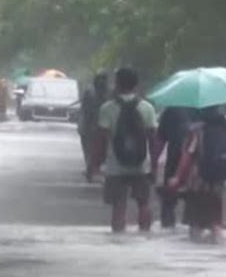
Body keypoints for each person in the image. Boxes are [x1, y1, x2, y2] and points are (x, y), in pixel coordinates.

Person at [88, 67, 157, 233]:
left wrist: (94, 165)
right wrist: (154, 166)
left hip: (115, 166)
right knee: (144, 203)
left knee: (119, 206)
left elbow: (101, 140)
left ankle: (118, 239)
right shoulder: (147, 108)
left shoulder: (108, 108)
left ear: (117, 84)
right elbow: (153, 140)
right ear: (136, 85)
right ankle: (146, 237)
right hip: (141, 165)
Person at [168, 106, 226, 242]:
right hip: (218, 181)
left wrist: (177, 177)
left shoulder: (196, 131)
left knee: (195, 224)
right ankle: (218, 246)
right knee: (215, 221)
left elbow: (187, 156)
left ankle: (196, 254)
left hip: (198, 182)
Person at [154, 107, 198, 228]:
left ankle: (168, 230)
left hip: (174, 160)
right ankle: (192, 235)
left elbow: (159, 140)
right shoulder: (206, 108)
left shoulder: (171, 110)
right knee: (194, 203)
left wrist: (153, 163)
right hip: (199, 165)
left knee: (168, 201)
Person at [79, 71, 108, 178]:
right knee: (92, 147)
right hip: (94, 124)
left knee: (90, 147)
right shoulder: (107, 92)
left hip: (94, 125)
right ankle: (92, 167)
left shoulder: (91, 91)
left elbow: (84, 109)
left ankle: (91, 167)